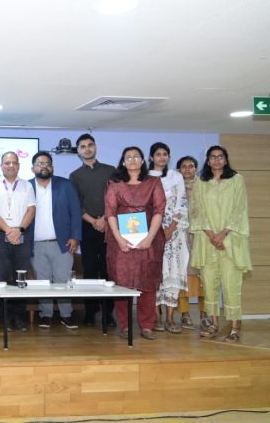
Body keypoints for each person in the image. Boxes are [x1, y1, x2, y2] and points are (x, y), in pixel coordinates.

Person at [190, 146, 252, 343]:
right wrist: (211, 235)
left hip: (230, 241)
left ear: (225, 160)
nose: (216, 160)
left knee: (232, 285)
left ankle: (235, 328)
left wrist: (223, 234)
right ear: (208, 161)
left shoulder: (237, 180)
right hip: (207, 242)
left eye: (220, 157)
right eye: (213, 157)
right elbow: (196, 210)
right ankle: (214, 324)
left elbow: (240, 209)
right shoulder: (200, 182)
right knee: (209, 285)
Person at [105, 146, 165, 340]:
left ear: (143, 161)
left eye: (136, 157)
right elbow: (110, 213)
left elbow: (159, 211)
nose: (132, 160)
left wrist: (149, 239)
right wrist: (119, 238)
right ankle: (124, 325)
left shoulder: (154, 182)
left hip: (148, 240)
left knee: (147, 282)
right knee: (121, 283)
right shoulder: (114, 184)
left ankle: (147, 326)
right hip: (120, 242)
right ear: (123, 162)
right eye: (128, 157)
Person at [28, 152, 82, 329]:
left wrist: (75, 236)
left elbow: (76, 211)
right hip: (36, 244)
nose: (44, 166)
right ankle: (46, 315)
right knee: (42, 281)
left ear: (52, 167)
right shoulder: (26, 187)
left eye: (48, 163)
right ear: (33, 168)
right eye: (40, 163)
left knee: (63, 280)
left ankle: (66, 315)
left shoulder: (65, 185)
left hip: (62, 243)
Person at [69, 133, 117, 327]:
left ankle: (108, 314)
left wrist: (104, 218)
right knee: (89, 270)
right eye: (83, 146)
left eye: (90, 145)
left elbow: (116, 198)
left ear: (95, 147)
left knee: (108, 270)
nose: (87, 149)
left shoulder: (111, 171)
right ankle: (90, 313)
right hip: (87, 227)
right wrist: (93, 221)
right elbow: (76, 204)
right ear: (78, 151)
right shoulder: (75, 176)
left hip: (109, 225)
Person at [0, 151, 35, 332]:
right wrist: (8, 231)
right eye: (7, 163)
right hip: (0, 234)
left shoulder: (27, 186)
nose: (10, 166)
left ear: (19, 166)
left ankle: (19, 318)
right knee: (2, 276)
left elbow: (31, 210)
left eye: (14, 162)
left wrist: (18, 230)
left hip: (22, 233)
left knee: (20, 277)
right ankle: (5, 318)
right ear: (1, 166)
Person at [148, 142, 189, 334]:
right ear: (151, 157)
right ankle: (156, 317)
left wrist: (171, 228)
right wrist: (156, 231)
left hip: (174, 233)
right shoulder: (145, 177)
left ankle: (170, 318)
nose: (162, 157)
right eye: (158, 154)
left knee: (173, 271)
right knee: (155, 274)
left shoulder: (176, 176)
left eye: (165, 154)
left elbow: (182, 204)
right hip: (152, 234)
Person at [175, 156, 208, 329]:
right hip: (180, 235)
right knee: (183, 275)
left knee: (203, 276)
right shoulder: (174, 187)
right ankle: (185, 314)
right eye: (184, 166)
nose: (187, 169)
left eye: (191, 166)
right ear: (178, 169)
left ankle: (204, 314)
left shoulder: (204, 186)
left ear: (196, 168)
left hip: (201, 235)